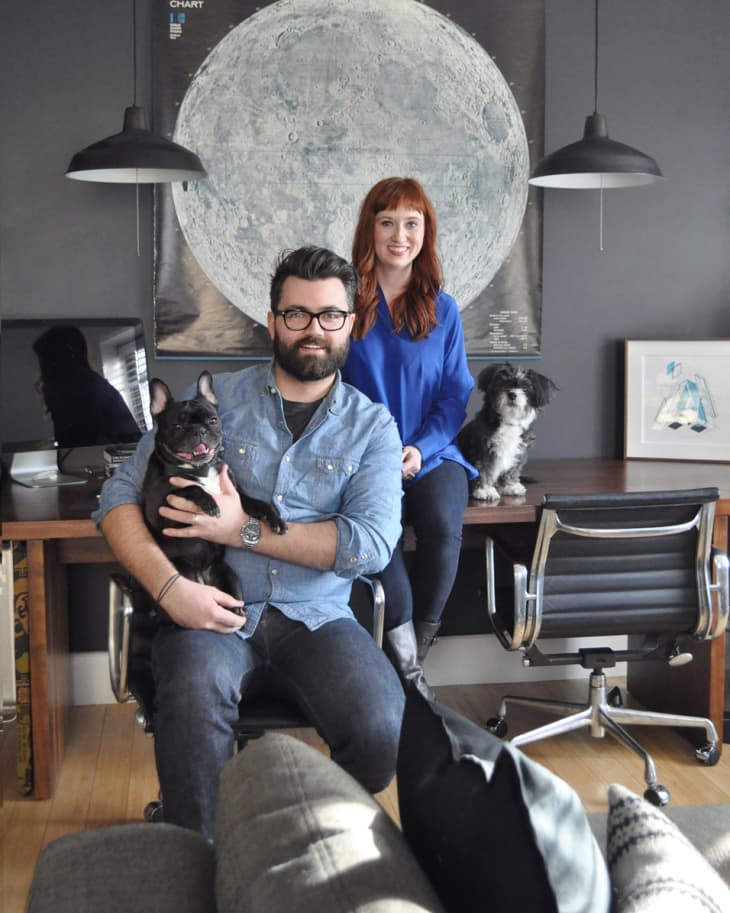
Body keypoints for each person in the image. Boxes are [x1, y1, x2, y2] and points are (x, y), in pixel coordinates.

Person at [94, 247, 405, 839]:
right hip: (207, 609)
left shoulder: (373, 428)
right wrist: (170, 589)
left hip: (317, 618)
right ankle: (200, 850)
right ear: (273, 321)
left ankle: (308, 839)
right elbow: (115, 499)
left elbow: (369, 546)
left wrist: (241, 529)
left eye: (330, 315)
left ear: (351, 322)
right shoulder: (213, 403)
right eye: (297, 314)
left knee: (383, 729)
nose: (313, 329)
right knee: (191, 704)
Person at [341, 177, 477, 691]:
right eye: (388, 222)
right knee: (383, 538)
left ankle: (412, 660)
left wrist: (419, 449)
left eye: (412, 224)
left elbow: (454, 395)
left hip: (432, 452)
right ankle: (404, 671)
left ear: (426, 232)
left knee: (443, 525)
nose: (400, 236)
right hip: (361, 457)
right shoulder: (344, 303)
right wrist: (378, 454)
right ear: (370, 230)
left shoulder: (444, 309)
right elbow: (328, 389)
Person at [32, 324, 142, 448]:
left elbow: (88, 443)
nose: (41, 370)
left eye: (43, 362)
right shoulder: (85, 386)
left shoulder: (84, 388)